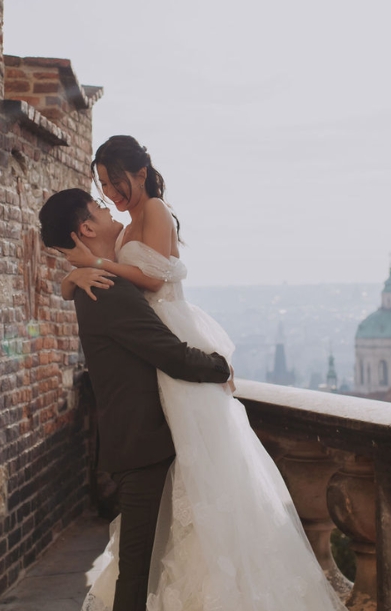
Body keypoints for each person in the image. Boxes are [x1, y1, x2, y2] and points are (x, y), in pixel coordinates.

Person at [60, 135, 347, 611]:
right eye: (104, 185)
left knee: (202, 477)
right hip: (154, 346)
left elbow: (153, 279)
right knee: (179, 495)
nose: (111, 192)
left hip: (168, 336)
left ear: (142, 172)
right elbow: (115, 291)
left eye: (116, 181)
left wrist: (92, 263)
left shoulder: (154, 210)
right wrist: (73, 277)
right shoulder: (129, 225)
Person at [38, 189, 233, 611]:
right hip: (141, 444)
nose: (110, 207)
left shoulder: (100, 278)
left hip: (139, 440)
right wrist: (221, 367)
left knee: (153, 560)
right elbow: (169, 353)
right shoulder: (107, 288)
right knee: (138, 568)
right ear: (87, 228)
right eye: (100, 206)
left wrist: (70, 276)